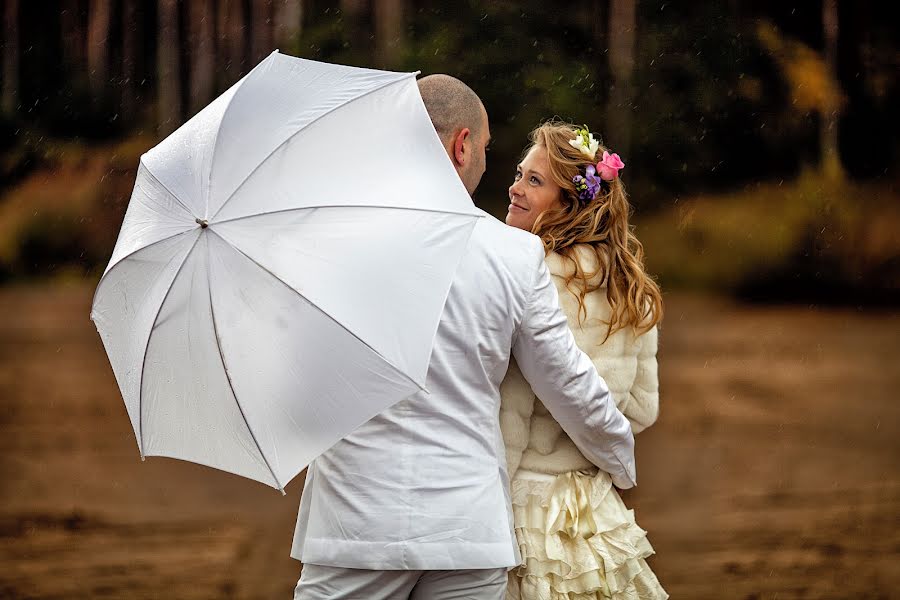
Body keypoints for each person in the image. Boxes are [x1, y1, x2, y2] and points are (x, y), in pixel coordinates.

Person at [291, 77, 637, 600]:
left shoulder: (329, 242)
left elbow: (302, 378)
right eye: (488, 148)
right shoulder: (512, 256)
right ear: (462, 145)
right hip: (464, 528)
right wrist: (619, 455)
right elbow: (566, 381)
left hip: (355, 523)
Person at [500, 121, 667, 599]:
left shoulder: (529, 279)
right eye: (519, 173)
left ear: (571, 203)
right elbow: (640, 410)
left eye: (535, 180)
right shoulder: (631, 288)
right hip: (592, 510)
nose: (514, 188)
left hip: (523, 504)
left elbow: (507, 409)